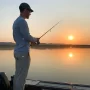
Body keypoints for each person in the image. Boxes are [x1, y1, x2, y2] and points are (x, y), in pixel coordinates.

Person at [12, 2, 40, 90]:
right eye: (29, 11)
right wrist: (35, 40)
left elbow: (23, 38)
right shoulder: (22, 21)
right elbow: (27, 36)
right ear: (24, 10)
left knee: (18, 76)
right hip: (23, 53)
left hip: (18, 52)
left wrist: (30, 42)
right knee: (21, 78)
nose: (30, 13)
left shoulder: (16, 21)